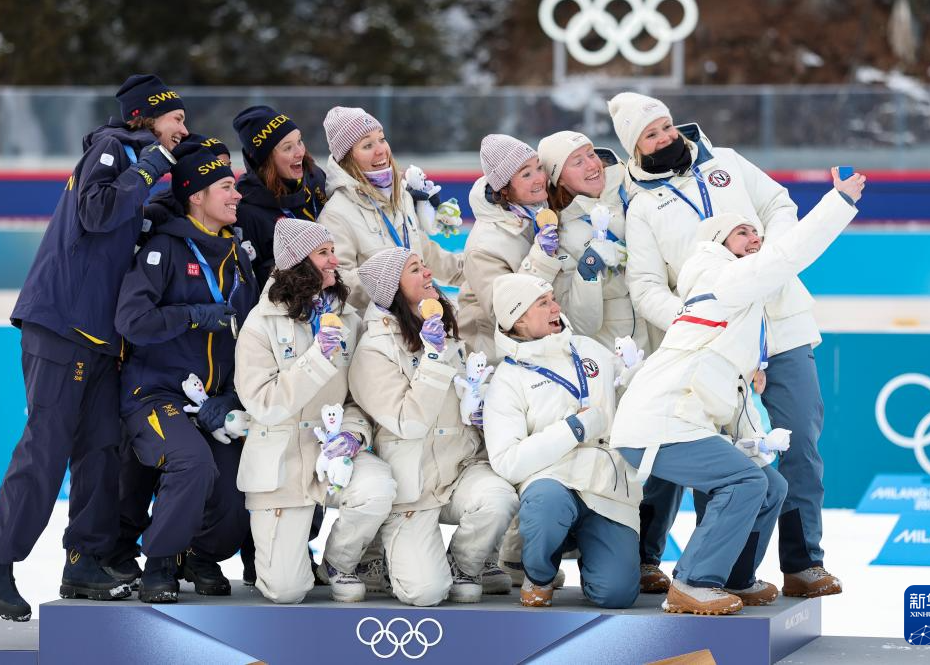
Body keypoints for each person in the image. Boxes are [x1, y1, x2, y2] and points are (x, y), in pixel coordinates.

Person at [0, 74, 187, 621]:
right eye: (176, 118)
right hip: (64, 328)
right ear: (146, 116)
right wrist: (149, 169)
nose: (184, 128)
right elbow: (96, 212)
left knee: (101, 450)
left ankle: (85, 560)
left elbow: (114, 228)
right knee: (47, 448)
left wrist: (154, 211)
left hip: (98, 338)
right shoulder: (115, 148)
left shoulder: (133, 161)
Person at [610, 91, 845, 597]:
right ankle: (715, 570)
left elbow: (779, 205)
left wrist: (771, 256)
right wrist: (695, 318)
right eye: (650, 134)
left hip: (781, 325)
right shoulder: (643, 205)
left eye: (666, 125)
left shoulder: (729, 164)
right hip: (714, 346)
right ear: (635, 148)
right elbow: (645, 285)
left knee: (800, 445)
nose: (664, 137)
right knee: (718, 457)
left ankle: (803, 563)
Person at [114, 143, 258, 603]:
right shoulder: (165, 249)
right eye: (226, 187)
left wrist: (232, 396)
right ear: (196, 196)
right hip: (156, 395)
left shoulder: (236, 255)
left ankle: (198, 555)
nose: (237, 196)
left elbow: (251, 337)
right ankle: (160, 563)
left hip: (215, 402)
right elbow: (131, 321)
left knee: (240, 487)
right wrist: (193, 316)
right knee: (192, 464)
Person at [234, 219, 396, 603]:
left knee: (377, 488)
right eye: (323, 253)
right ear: (298, 262)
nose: (334, 261)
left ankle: (338, 562)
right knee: (286, 591)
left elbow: (359, 398)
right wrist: (317, 358)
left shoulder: (348, 319)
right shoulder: (260, 324)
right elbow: (264, 403)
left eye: (333, 251)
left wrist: (352, 435)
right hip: (281, 461)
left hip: (331, 455)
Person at [348, 248, 518, 606]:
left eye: (425, 266)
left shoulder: (442, 326)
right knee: (426, 593)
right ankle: (381, 561)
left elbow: (462, 392)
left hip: (461, 467)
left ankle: (464, 565)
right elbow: (408, 421)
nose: (428, 273)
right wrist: (434, 357)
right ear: (393, 288)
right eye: (415, 269)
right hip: (414, 483)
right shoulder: (373, 350)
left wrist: (480, 409)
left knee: (498, 498)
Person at [483, 273, 643, 609]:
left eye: (552, 299)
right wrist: (574, 429)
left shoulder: (590, 349)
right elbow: (507, 461)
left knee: (617, 594)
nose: (556, 307)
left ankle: (597, 558)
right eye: (543, 303)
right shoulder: (509, 377)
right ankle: (539, 576)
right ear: (518, 319)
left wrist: (634, 378)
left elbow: (627, 408)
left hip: (607, 486)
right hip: (552, 480)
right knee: (547, 506)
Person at [317, 106, 464, 313]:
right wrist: (394, 281)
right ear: (347, 158)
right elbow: (338, 282)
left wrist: (477, 268)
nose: (381, 150)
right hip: (378, 327)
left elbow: (425, 254)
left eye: (382, 139)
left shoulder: (401, 195)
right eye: (367, 145)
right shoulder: (336, 214)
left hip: (418, 320)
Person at [537, 130, 652, 354]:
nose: (592, 165)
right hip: (616, 353)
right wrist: (587, 273)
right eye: (577, 162)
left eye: (591, 154)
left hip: (666, 332)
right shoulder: (561, 234)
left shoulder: (634, 188)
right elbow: (581, 325)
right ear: (559, 179)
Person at [455, 135, 563, 361]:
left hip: (542, 340)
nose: (539, 178)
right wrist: (541, 256)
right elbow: (506, 314)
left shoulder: (539, 210)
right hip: (496, 356)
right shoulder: (483, 247)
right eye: (526, 174)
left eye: (539, 168)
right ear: (504, 189)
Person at [232, 106, 328, 288]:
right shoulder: (247, 212)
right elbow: (256, 283)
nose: (300, 152)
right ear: (265, 159)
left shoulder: (315, 177)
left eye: (299, 141)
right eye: (288, 148)